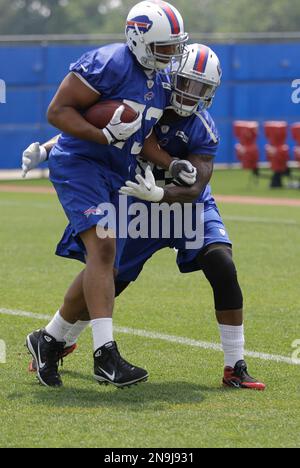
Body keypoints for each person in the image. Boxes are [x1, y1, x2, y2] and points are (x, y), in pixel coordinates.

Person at [24, 43, 265, 391]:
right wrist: (47, 148)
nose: (189, 93)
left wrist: (163, 194)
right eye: (184, 82)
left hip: (186, 208)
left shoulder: (202, 127)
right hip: (138, 204)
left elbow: (196, 188)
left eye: (200, 88)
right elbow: (99, 120)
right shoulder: (148, 94)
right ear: (171, 77)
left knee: (222, 265)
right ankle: (53, 336)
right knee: (109, 273)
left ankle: (235, 366)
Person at [24, 0, 193, 389]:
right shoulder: (108, 63)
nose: (170, 55)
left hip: (116, 172)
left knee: (107, 264)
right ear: (137, 39)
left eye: (174, 47)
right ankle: (105, 355)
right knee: (103, 249)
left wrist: (171, 163)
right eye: (163, 47)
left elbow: (143, 133)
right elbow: (59, 111)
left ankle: (46, 340)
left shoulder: (162, 78)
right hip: (81, 163)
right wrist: (100, 135)